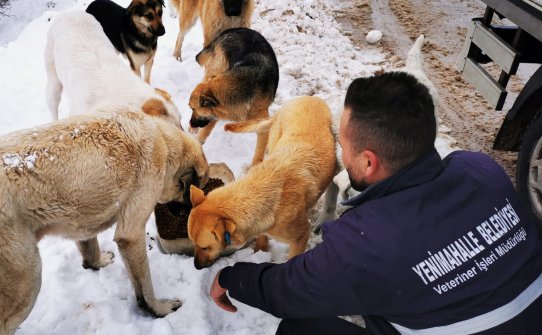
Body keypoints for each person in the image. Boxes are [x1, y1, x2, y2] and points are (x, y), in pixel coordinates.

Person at [209, 72, 542, 335]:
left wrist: (230, 278)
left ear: (368, 163)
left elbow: (286, 291)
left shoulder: (365, 243)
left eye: (344, 144)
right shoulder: (483, 170)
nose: (339, 152)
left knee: (301, 328)